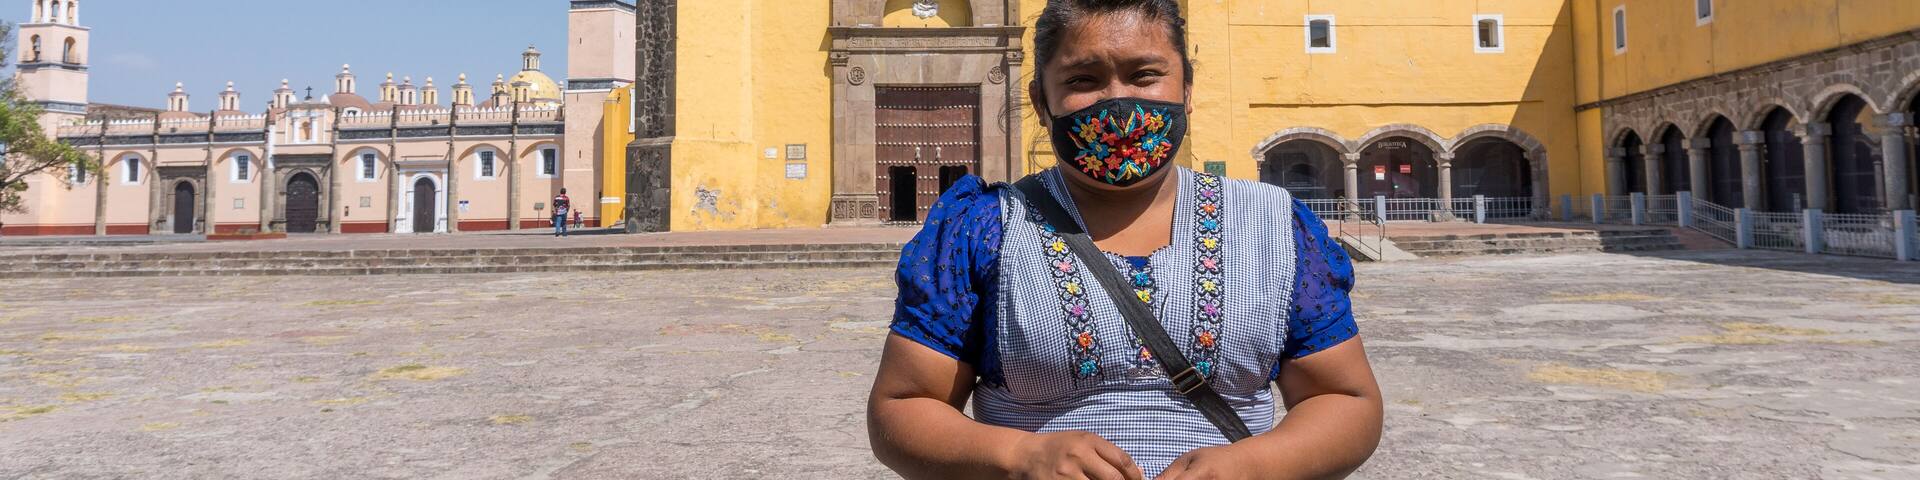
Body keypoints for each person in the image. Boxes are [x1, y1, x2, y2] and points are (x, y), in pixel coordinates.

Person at [866, 1, 1383, 479]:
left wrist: (1255, 464)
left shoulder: (1272, 225)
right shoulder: (982, 227)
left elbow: (1344, 398)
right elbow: (904, 406)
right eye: (1083, 79)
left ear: (1186, 87)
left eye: (1144, 75)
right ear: (1041, 101)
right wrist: (1019, 457)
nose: (1118, 102)